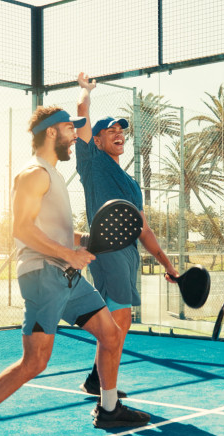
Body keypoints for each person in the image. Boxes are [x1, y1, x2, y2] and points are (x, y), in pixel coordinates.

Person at [0, 106, 150, 436]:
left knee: (112, 334)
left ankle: (109, 409)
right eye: (71, 129)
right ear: (52, 132)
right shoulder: (34, 174)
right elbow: (22, 229)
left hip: (68, 276)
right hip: (43, 275)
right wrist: (69, 254)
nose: (75, 136)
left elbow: (54, 232)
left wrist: (84, 241)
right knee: (35, 361)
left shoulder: (52, 175)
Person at [75, 73, 180, 398]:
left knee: (120, 321)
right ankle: (105, 393)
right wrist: (85, 92)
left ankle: (97, 378)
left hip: (128, 255)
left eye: (121, 130)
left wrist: (167, 264)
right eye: (110, 131)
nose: (118, 133)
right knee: (118, 318)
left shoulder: (131, 183)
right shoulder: (91, 163)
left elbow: (144, 229)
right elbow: (81, 115)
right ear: (97, 140)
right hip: (107, 252)